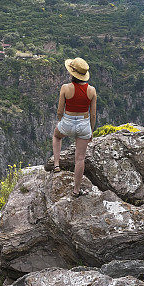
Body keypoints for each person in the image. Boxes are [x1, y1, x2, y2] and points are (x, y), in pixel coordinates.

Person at [52, 57, 97, 197]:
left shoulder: (65, 88)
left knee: (56, 136)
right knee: (80, 159)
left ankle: (57, 165)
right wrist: (91, 131)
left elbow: (60, 110)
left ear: (72, 73)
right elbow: (93, 114)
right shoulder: (92, 90)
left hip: (68, 121)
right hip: (84, 124)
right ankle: (76, 190)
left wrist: (61, 121)